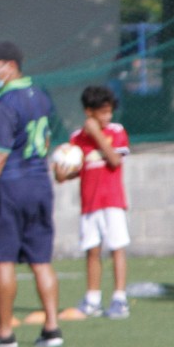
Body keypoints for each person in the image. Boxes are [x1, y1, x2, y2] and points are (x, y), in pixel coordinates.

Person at [0, 41, 63, 347]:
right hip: (39, 184)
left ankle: (4, 332)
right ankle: (52, 327)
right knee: (40, 260)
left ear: (9, 65)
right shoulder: (41, 97)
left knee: (3, 258)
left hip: (8, 187)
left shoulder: (4, 105)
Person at [67, 85, 132, 320]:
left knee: (117, 248)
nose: (107, 117)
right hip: (89, 203)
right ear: (89, 112)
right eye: (102, 112)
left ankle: (119, 298)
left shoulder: (116, 131)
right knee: (92, 250)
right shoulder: (76, 138)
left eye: (109, 111)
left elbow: (115, 160)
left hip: (112, 201)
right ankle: (92, 298)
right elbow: (72, 170)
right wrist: (62, 169)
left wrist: (96, 134)